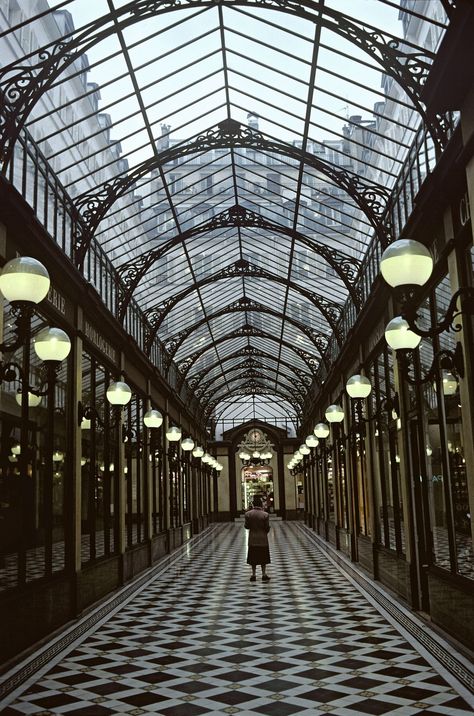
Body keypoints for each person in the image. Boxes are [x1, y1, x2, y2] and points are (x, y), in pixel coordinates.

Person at [245, 496, 271, 582]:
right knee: (263, 557)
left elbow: (246, 526)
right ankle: (264, 574)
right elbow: (267, 527)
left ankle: (253, 574)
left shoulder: (248, 514)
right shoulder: (265, 515)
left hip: (252, 538)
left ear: (253, 504)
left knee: (253, 558)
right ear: (261, 504)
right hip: (263, 538)